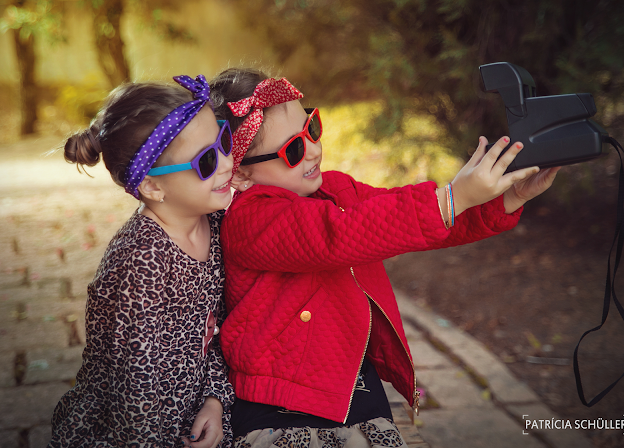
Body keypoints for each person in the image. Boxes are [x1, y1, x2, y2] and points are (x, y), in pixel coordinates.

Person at [209, 68, 560, 447]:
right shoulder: (251, 218)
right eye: (292, 149)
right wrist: (453, 198)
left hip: (348, 381)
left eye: (312, 128)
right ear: (241, 175)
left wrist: (506, 198)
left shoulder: (335, 188)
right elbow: (336, 235)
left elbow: (398, 217)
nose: (312, 149)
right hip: (279, 400)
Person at [48, 75, 235, 448]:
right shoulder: (142, 261)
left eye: (224, 139)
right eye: (207, 160)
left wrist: (215, 402)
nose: (228, 162)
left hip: (194, 408)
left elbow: (219, 328)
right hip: (130, 430)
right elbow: (134, 388)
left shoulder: (214, 222)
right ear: (153, 186)